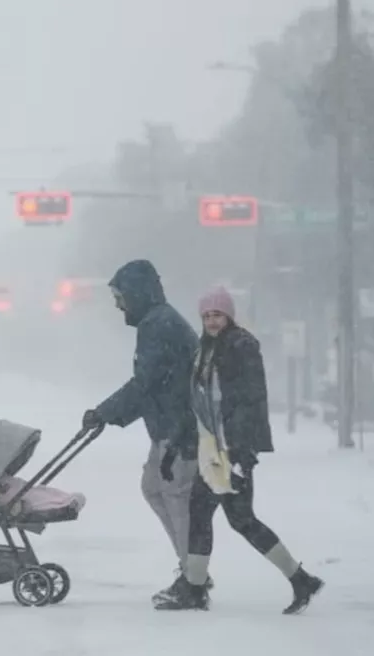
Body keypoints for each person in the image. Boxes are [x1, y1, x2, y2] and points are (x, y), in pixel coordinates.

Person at [153, 286, 325, 614]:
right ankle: (295, 579)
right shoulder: (206, 350)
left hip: (231, 450)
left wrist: (243, 452)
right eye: (206, 316)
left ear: (229, 315)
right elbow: (198, 405)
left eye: (217, 315)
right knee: (221, 516)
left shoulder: (240, 347)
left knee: (231, 518)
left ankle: (196, 588)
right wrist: (176, 446)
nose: (211, 321)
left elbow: (250, 400)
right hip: (213, 450)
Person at [82, 259, 205, 604]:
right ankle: (191, 571)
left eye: (120, 296)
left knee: (176, 496)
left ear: (137, 294)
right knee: (154, 487)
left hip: (180, 428)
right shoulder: (158, 321)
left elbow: (146, 383)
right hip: (170, 425)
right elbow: (151, 386)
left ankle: (193, 580)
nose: (118, 303)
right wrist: (107, 415)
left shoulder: (158, 325)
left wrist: (104, 412)